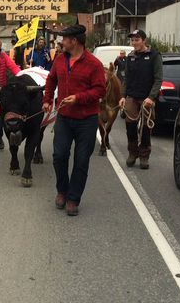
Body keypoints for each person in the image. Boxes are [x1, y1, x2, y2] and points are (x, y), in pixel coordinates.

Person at [42, 24, 106, 216]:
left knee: (81, 161)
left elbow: (100, 90)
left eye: (64, 39)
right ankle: (62, 191)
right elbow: (51, 80)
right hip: (64, 117)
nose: (61, 42)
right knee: (59, 156)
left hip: (86, 120)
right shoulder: (60, 60)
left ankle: (73, 198)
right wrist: (47, 100)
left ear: (74, 41)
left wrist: (79, 98)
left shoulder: (94, 64)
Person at [118, 29, 163, 170]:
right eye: (132, 40)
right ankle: (132, 153)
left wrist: (151, 97)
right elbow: (127, 79)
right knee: (130, 127)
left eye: (137, 39)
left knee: (145, 129)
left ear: (144, 40)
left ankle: (144, 155)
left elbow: (158, 79)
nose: (134, 42)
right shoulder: (130, 57)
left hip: (146, 99)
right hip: (131, 96)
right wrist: (122, 97)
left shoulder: (154, 55)